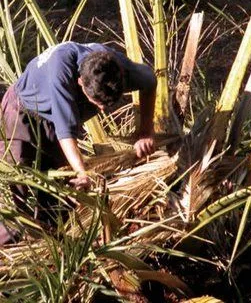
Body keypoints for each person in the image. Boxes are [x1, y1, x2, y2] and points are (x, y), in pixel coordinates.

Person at [0, 42, 157, 244]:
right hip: (23, 115)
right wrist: (83, 173)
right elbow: (65, 134)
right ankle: (7, 255)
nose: (102, 110)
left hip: (54, 124)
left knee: (59, 195)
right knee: (17, 192)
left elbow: (150, 81)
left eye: (108, 104)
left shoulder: (117, 69)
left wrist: (145, 131)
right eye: (97, 103)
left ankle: (51, 249)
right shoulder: (60, 76)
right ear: (81, 82)